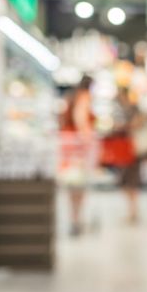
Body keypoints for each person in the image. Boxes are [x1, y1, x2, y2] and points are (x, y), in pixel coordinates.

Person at [101, 88, 145, 223]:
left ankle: (133, 212)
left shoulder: (133, 109)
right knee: (124, 182)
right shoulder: (119, 110)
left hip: (133, 150)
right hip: (122, 151)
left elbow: (138, 124)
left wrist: (125, 126)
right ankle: (132, 211)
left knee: (131, 181)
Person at [60, 75, 95, 236]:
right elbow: (80, 119)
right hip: (78, 148)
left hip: (68, 145)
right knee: (79, 184)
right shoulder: (84, 97)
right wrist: (88, 140)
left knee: (72, 185)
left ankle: (74, 218)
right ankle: (76, 219)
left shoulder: (71, 96)